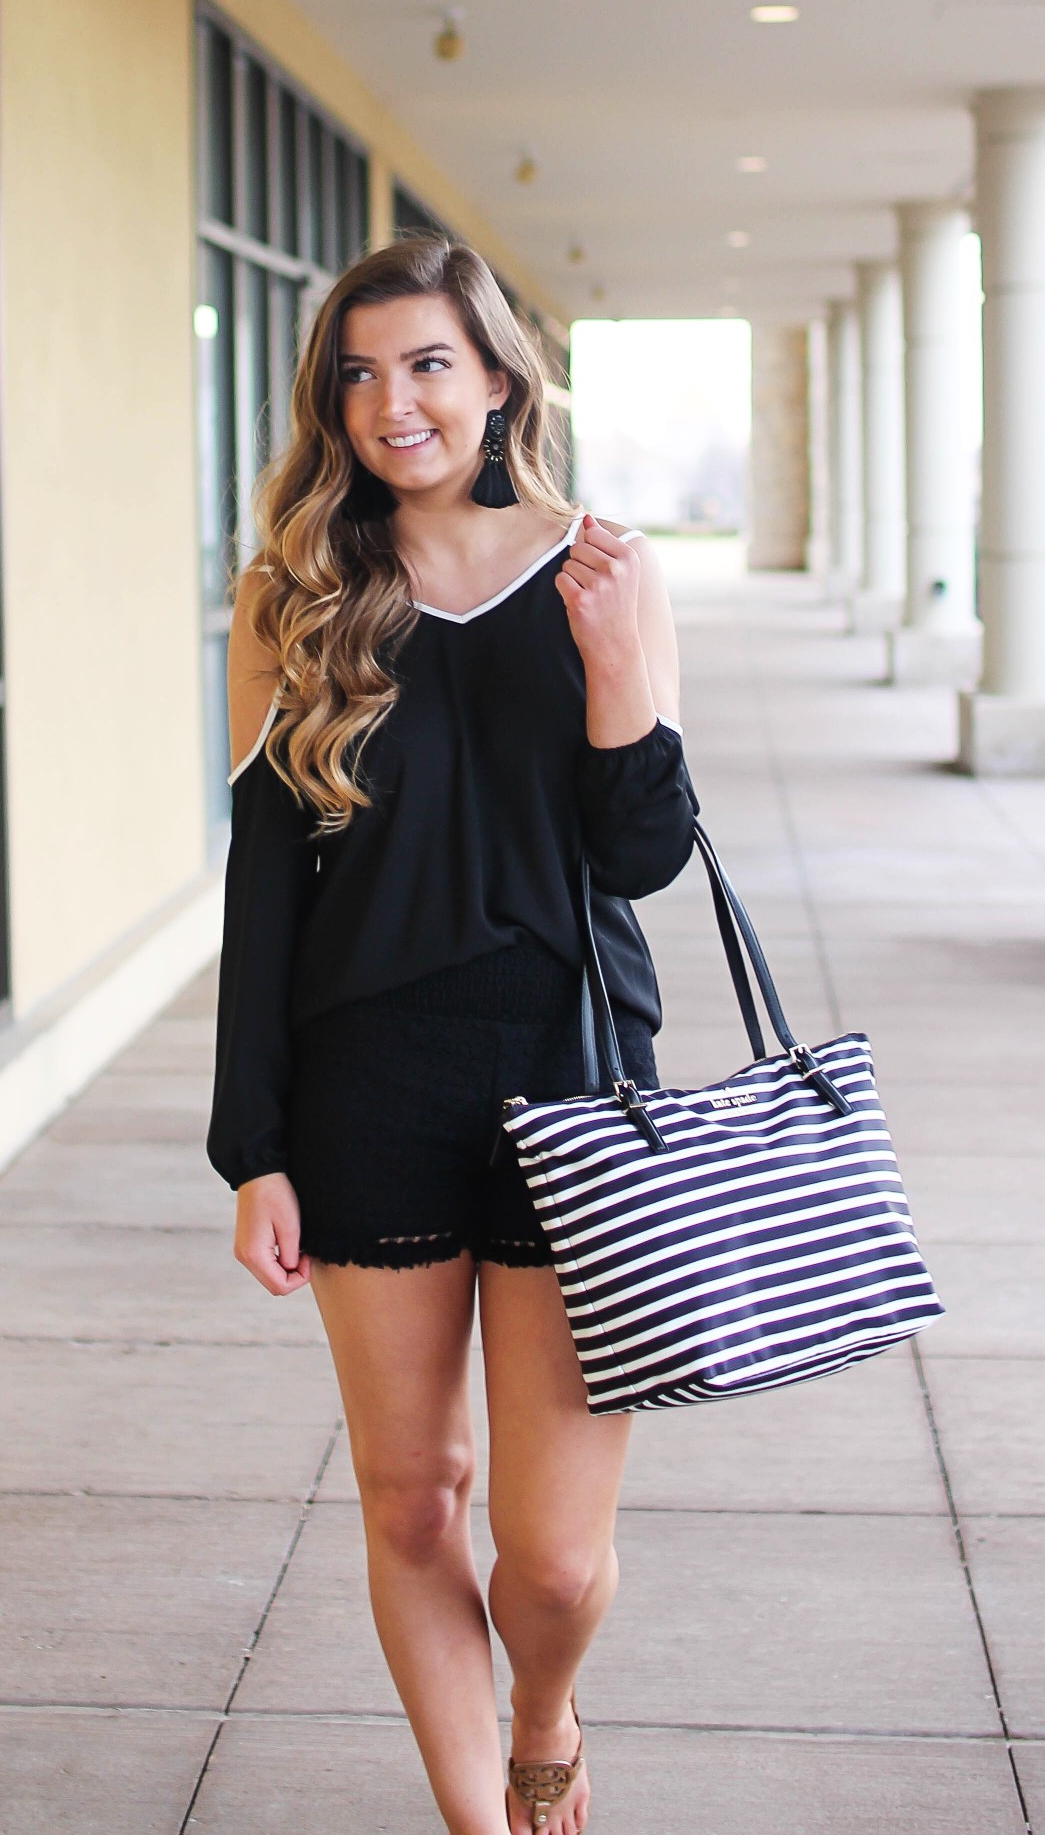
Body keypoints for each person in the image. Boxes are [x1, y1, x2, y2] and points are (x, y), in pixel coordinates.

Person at [208, 234, 695, 1835]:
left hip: (572, 1082)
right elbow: (266, 886)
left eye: (426, 364)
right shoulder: (296, 595)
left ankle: (543, 1712)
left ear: (499, 379)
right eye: (358, 373)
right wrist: (253, 1148)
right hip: (370, 1091)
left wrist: (620, 680)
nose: (390, 403)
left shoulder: (602, 572)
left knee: (551, 1558)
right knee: (414, 1497)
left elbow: (638, 864)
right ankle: (482, 1819)